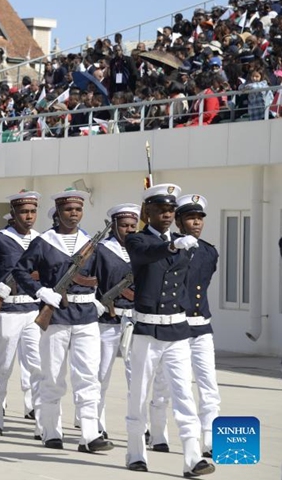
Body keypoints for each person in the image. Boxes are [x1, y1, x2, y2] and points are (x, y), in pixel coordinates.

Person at [124, 183, 215, 477]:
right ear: (146, 212)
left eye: (170, 210)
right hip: (147, 330)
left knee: (183, 395)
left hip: (177, 329)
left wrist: (180, 244)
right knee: (139, 394)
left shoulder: (184, 242)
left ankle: (192, 458)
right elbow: (147, 256)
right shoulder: (137, 241)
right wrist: (173, 245)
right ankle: (135, 452)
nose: (166, 215)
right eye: (160, 210)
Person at [14, 189, 113, 453]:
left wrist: (102, 299)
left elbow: (105, 275)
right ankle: (51, 430)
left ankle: (89, 434)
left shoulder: (91, 243)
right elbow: (20, 270)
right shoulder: (44, 242)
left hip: (86, 318)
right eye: (68, 210)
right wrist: (39, 291)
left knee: (88, 376)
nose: (73, 214)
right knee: (53, 376)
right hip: (56, 316)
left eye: (78, 210)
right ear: (58, 213)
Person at [148, 194, 220, 459]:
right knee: (165, 384)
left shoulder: (209, 251)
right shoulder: (169, 248)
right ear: (178, 220)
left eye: (200, 218)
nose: (197, 223)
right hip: (175, 325)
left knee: (208, 384)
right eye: (190, 217)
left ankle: (210, 439)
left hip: (202, 325)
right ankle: (157, 433)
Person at [0, 191, 42, 438]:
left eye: (32, 212)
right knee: (1, 366)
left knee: (39, 367)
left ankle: (43, 422)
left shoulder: (42, 240)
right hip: (7, 310)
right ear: (13, 214)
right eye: (23, 212)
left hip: (34, 311)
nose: (28, 217)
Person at [93, 203, 140, 439]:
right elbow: (93, 279)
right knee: (101, 374)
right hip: (107, 319)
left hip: (136, 319)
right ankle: (96, 423)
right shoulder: (102, 250)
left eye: (133, 225)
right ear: (114, 226)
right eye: (124, 225)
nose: (129, 230)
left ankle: (140, 425)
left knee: (137, 376)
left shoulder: (142, 249)